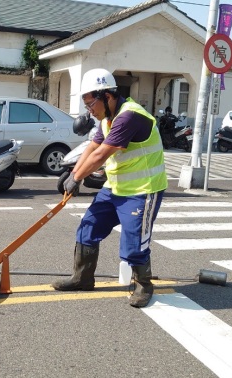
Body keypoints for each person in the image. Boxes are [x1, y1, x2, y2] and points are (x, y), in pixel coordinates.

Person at [52, 68, 168, 308]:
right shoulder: (107, 120)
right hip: (115, 188)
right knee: (88, 227)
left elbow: (103, 154)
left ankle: (143, 284)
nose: (89, 110)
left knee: (133, 240)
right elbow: (91, 149)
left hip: (142, 190)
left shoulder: (129, 116)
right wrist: (74, 175)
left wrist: (77, 179)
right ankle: (82, 278)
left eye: (90, 103)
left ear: (107, 95)